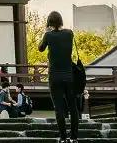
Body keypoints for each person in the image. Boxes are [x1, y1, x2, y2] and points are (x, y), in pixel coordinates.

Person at [38, 11, 79, 143]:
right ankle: (74, 137)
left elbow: (40, 48)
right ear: (61, 21)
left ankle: (63, 137)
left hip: (54, 76)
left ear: (49, 22)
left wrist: (47, 31)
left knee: (59, 108)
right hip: (69, 76)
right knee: (73, 108)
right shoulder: (69, 33)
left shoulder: (48, 35)